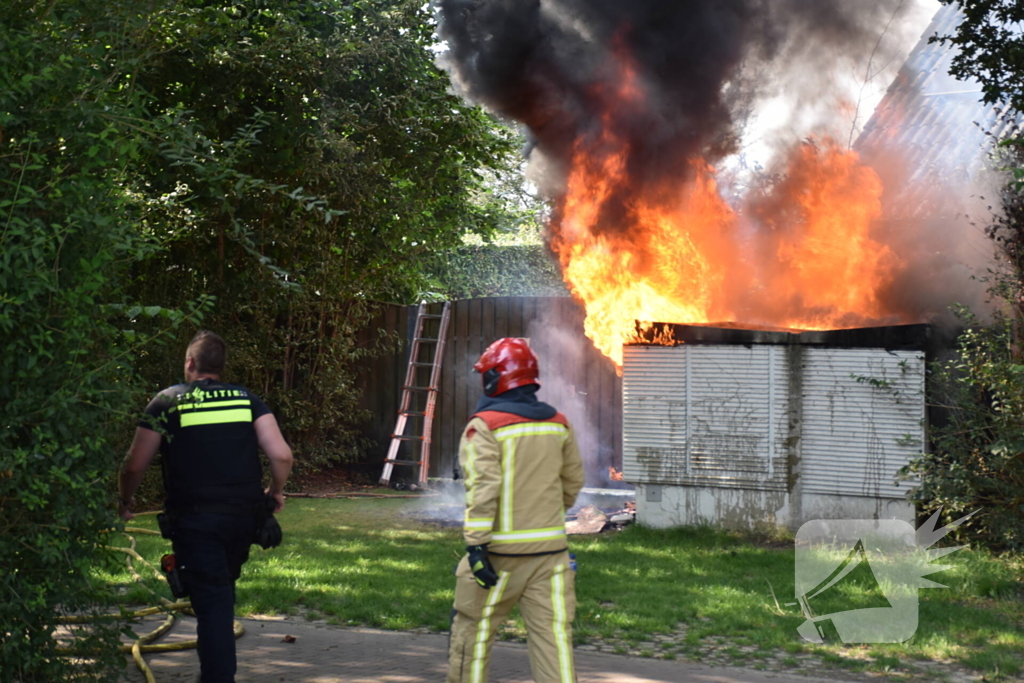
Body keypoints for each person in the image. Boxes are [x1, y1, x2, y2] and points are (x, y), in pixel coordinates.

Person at [118, 330, 293, 683]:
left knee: (213, 604)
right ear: (221, 366)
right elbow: (282, 455)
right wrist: (275, 492)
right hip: (244, 519)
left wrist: (125, 501)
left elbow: (134, 465)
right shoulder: (246, 400)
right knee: (219, 593)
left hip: (195, 520)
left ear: (189, 362)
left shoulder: (168, 401)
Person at [447, 338, 585, 683]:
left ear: (495, 378)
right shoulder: (559, 423)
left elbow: (483, 489)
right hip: (552, 555)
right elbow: (572, 482)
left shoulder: (485, 426)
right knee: (554, 640)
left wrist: (476, 546)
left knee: (473, 635)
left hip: (499, 556)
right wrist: (546, 516)